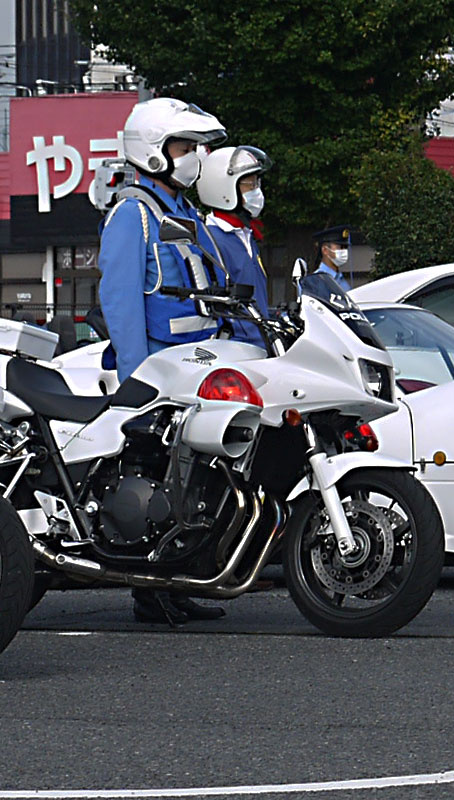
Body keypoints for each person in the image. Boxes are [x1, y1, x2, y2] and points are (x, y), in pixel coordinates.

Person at [97, 97, 229, 625]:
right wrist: (138, 380)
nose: (194, 157)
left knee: (192, 485)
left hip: (197, 367)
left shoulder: (182, 212)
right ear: (153, 152)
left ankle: (177, 582)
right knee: (153, 480)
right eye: (184, 147)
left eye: (197, 148)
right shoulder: (132, 214)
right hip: (159, 373)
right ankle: (148, 592)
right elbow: (122, 300)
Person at [198, 145, 273, 347]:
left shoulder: (245, 236)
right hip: (236, 351)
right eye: (249, 184)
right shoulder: (210, 240)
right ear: (222, 188)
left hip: (261, 346)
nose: (256, 191)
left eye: (257, 183)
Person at [312, 226, 353, 292]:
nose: (344, 251)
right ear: (325, 250)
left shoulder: (341, 279)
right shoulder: (315, 281)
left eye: (345, 247)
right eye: (340, 247)